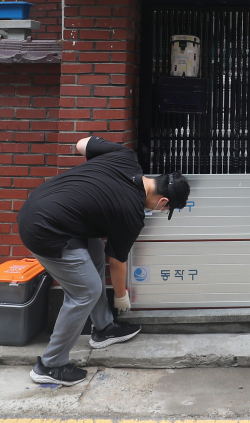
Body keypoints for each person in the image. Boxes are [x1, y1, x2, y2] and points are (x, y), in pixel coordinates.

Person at [16, 134, 190, 386]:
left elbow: (80, 144)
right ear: (162, 201)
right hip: (44, 229)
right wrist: (122, 298)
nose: (162, 212)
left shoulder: (125, 157)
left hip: (43, 206)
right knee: (85, 292)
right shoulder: (132, 213)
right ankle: (50, 365)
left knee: (94, 249)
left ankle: (104, 328)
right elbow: (117, 260)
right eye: (165, 210)